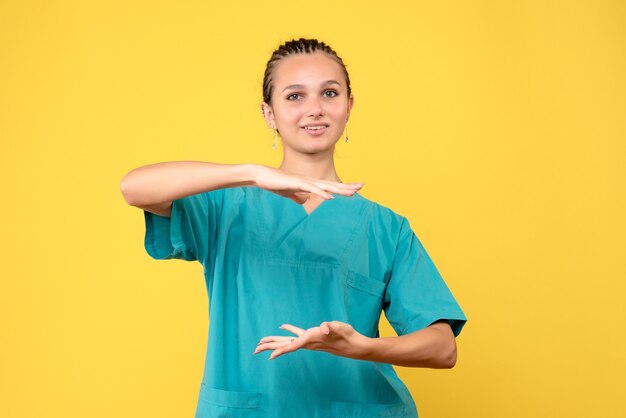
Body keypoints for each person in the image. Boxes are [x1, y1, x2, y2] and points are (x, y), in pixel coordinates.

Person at [120, 38, 467, 418]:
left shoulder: (386, 228)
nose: (314, 109)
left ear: (349, 106)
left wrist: (361, 347)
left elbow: (442, 347)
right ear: (268, 113)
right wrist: (252, 174)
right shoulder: (226, 205)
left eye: (329, 93)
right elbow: (133, 188)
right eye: (295, 96)